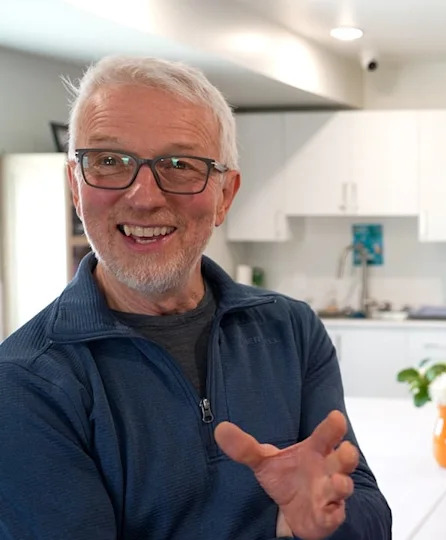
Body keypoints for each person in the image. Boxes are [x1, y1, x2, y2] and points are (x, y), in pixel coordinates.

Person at [0, 56, 391, 539]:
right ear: (76, 189)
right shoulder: (25, 381)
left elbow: (369, 513)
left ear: (226, 194)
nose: (144, 196)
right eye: (109, 161)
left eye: (180, 165)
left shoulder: (289, 331)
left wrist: (318, 526)